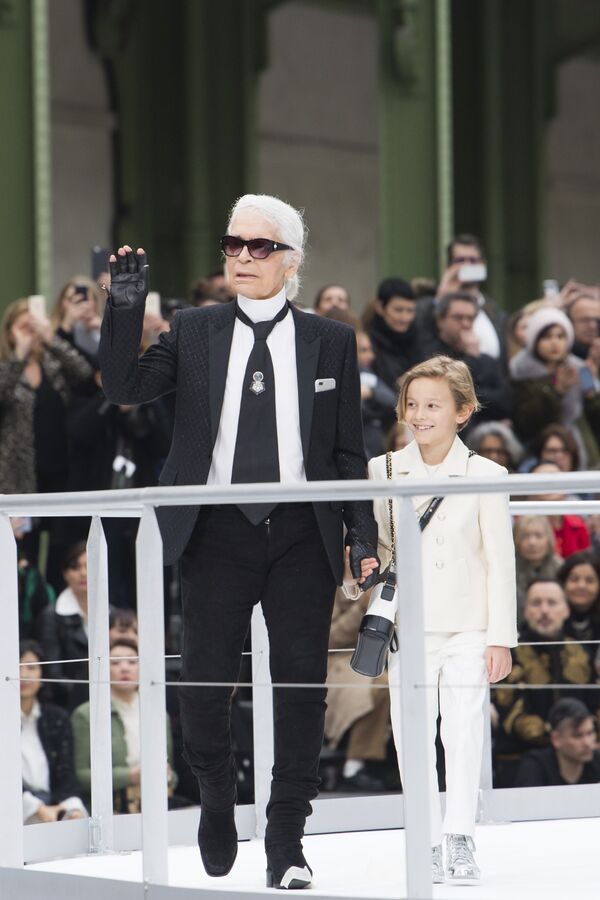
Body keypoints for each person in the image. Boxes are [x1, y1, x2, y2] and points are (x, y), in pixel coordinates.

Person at [98, 194, 379, 889]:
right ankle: (217, 792)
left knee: (300, 688)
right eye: (233, 245)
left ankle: (287, 838)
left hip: (302, 531)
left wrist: (362, 534)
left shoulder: (330, 340)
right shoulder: (194, 330)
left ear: (291, 260)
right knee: (202, 684)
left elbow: (348, 451)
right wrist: (125, 309)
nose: (242, 257)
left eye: (259, 246)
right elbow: (123, 386)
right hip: (215, 529)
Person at [345, 356, 517, 885]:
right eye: (413, 404)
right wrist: (359, 573)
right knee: (412, 735)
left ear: (462, 412)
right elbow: (375, 548)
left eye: (433, 405)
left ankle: (459, 835)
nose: (419, 415)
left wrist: (501, 637)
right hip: (409, 627)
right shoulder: (383, 469)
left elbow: (500, 561)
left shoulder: (488, 474)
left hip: (469, 624)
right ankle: (425, 838)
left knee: (463, 733)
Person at [0, 298, 93, 590]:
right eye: (23, 327)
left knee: (61, 552)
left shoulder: (53, 364)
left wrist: (50, 337)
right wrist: (19, 353)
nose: (30, 333)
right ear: (9, 331)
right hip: (18, 480)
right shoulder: (6, 367)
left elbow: (85, 374)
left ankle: (54, 611)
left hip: (60, 474)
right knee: (21, 554)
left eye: (34, 326)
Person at [494, 578, 591, 787]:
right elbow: (512, 715)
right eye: (536, 603)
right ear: (525, 612)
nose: (544, 610)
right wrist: (563, 737)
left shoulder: (582, 652)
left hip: (581, 759)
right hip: (522, 760)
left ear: (566, 610)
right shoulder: (511, 655)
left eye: (552, 603)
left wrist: (583, 738)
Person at [72, 638, 176, 812]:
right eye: (115, 662)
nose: (125, 668)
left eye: (132, 662)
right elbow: (81, 774)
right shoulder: (87, 714)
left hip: (157, 802)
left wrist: (168, 776)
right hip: (110, 806)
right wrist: (130, 776)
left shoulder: (158, 712)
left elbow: (172, 770)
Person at [324, 589, 391, 792]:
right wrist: (362, 606)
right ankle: (355, 765)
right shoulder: (336, 586)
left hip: (393, 654)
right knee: (380, 685)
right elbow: (330, 638)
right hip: (344, 658)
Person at [20, 640, 86, 824]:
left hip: (54, 807)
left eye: (31, 667)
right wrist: (36, 807)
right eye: (17, 667)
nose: (23, 675)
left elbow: (66, 772)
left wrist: (69, 807)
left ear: (42, 674)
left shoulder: (57, 718)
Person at [420, 292, 511, 425]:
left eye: (470, 318)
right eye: (458, 318)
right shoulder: (428, 356)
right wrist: (472, 360)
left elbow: (504, 401)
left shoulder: (485, 359)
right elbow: (448, 394)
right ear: (440, 321)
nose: (466, 324)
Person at [38, 542, 90, 710]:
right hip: (66, 704)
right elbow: (53, 671)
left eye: (89, 566)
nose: (83, 573)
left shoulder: (112, 613)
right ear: (65, 574)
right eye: (75, 567)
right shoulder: (51, 616)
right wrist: (82, 692)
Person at [515, 698, 600, 787]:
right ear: (556, 739)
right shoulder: (535, 766)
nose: (587, 743)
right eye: (577, 736)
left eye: (590, 733)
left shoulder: (597, 762)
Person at [367, 277, 422, 392]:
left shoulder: (419, 339)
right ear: (380, 307)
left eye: (410, 311)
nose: (405, 318)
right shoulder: (368, 344)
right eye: (398, 310)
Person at [527, 461, 591, 557]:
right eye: (543, 481)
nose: (550, 487)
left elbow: (585, 560)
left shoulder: (578, 525)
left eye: (554, 480)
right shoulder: (522, 524)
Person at [355, 329, 398, 458]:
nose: (371, 356)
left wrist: (371, 392)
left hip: (376, 442)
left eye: (370, 350)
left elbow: (392, 399)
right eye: (364, 350)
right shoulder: (341, 376)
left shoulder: (367, 374)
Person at [513, 516, 562, 620]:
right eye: (525, 536)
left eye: (538, 536)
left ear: (548, 539)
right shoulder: (507, 570)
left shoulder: (561, 568)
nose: (532, 542)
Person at [557, 551, 600, 645]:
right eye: (574, 579)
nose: (581, 586)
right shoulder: (550, 620)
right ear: (563, 583)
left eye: (589, 580)